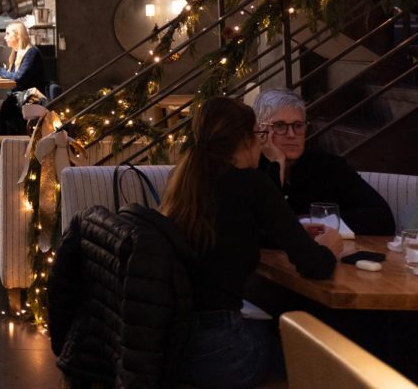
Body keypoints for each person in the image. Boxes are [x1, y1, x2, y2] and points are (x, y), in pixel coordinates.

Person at [161, 97, 339, 389]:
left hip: (175, 347)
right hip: (224, 355)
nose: (263, 143)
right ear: (245, 140)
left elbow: (241, 226)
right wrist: (330, 248)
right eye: (259, 135)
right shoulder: (250, 184)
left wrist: (275, 166)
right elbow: (314, 266)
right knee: (305, 351)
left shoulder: (183, 179)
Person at [254, 89, 394, 235]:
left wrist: (309, 222)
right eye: (280, 126)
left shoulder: (328, 166)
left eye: (298, 125)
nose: (291, 135)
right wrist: (277, 163)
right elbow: (258, 227)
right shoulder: (250, 170)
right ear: (260, 130)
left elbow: (383, 218)